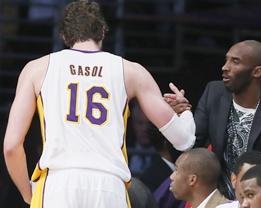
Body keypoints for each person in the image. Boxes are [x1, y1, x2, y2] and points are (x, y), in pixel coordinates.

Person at [3, 1, 196, 207]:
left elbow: (11, 146)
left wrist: (27, 193)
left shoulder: (37, 68)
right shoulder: (132, 71)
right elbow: (183, 140)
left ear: (63, 35)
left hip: (58, 184)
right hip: (109, 186)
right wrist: (184, 111)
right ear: (103, 31)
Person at [164, 40, 261, 198]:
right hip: (217, 197)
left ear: (256, 72)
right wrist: (180, 118)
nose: (225, 67)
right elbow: (189, 149)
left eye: (235, 61)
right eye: (226, 60)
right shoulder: (214, 93)